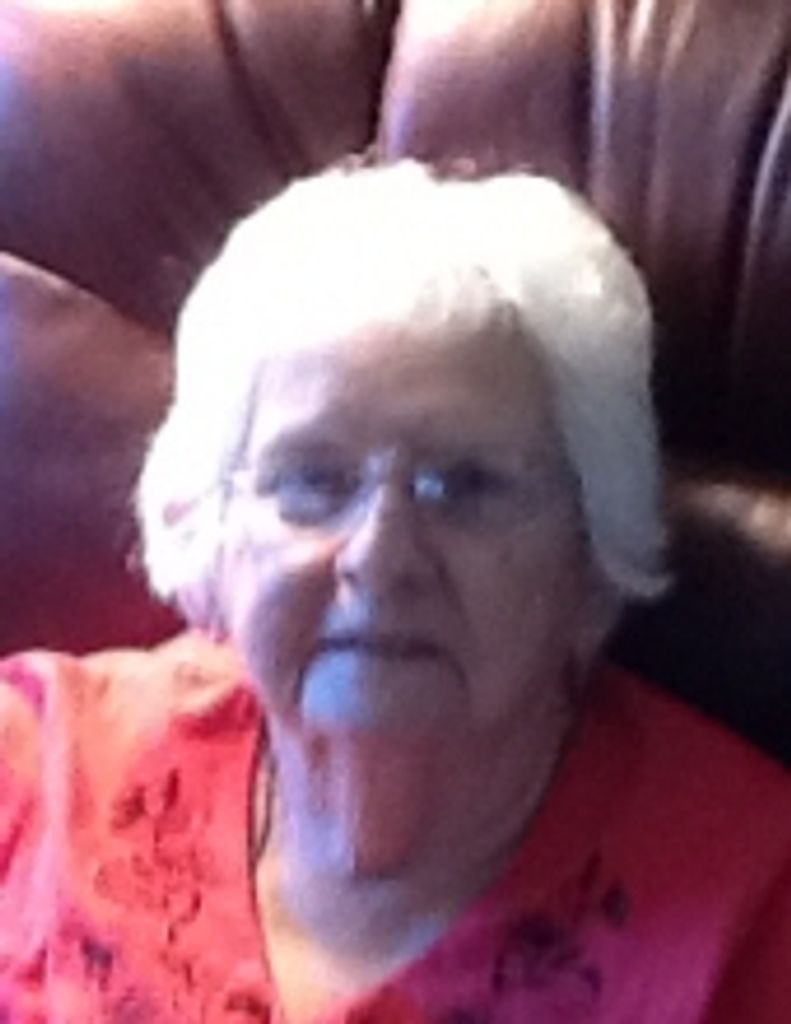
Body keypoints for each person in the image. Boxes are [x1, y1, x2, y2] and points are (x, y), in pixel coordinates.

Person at [0, 161, 788, 1024]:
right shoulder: (37, 762)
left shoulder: (755, 912)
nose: (381, 556)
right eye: (313, 480)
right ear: (211, 537)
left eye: (466, 485)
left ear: (594, 562)